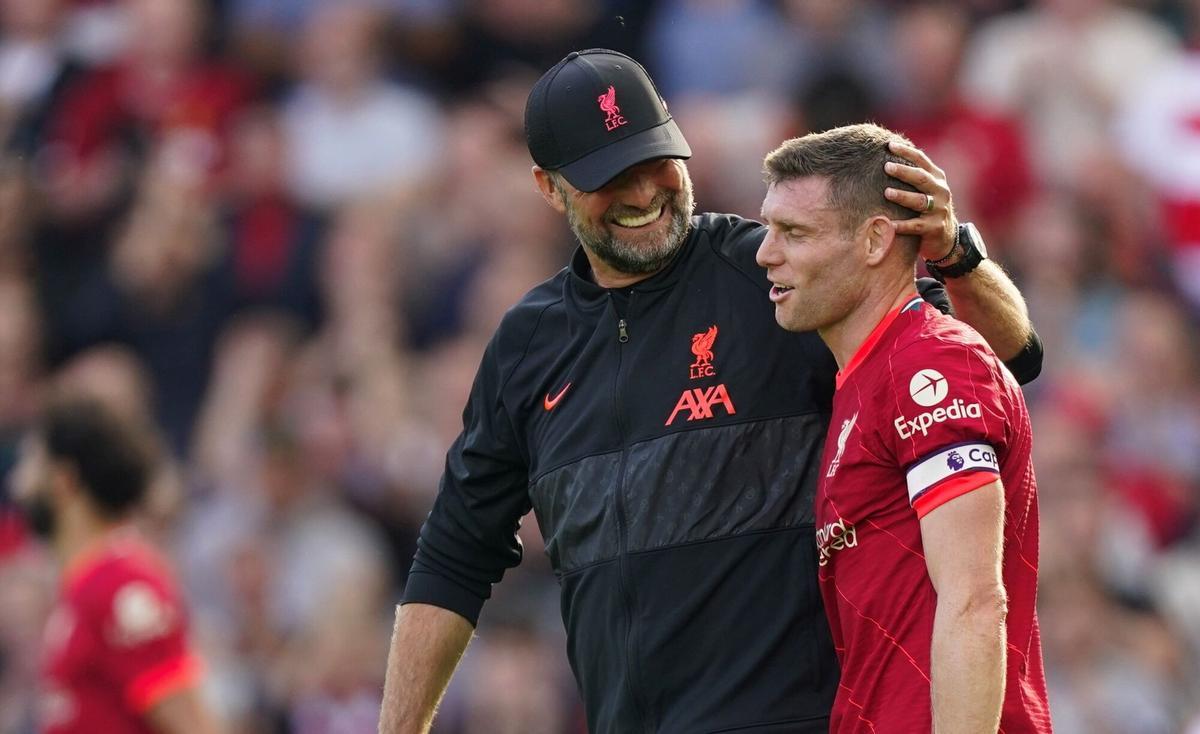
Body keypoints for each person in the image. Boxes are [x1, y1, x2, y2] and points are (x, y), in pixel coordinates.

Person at [380, 49, 1043, 734]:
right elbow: (453, 557)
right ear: (550, 189)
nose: (643, 194)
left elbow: (989, 362)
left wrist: (959, 255)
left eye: (654, 161)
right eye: (611, 178)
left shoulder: (779, 274)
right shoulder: (527, 346)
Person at [756, 123, 1051, 731]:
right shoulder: (862, 380)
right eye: (768, 228)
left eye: (795, 233)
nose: (766, 253)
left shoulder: (930, 366)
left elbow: (974, 601)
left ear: (874, 240)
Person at [10, 395, 221, 734]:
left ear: (64, 480)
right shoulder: (83, 587)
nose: (19, 483)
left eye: (32, 463)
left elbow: (193, 726)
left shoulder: (123, 587)